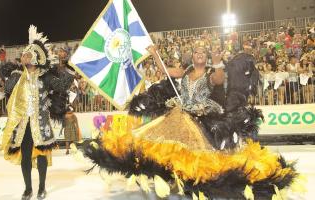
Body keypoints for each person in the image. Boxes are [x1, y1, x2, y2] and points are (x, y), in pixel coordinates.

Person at [81, 43, 297, 199]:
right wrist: (155, 54)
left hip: (201, 117)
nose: (200, 54)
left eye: (203, 52)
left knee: (195, 155)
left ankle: (190, 184)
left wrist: (216, 60)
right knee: (157, 144)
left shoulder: (212, 74)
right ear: (192, 56)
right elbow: (164, 70)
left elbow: (220, 79)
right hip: (177, 113)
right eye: (197, 51)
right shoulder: (184, 72)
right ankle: (167, 179)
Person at [0, 25, 74, 200]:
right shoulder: (17, 75)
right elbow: (8, 90)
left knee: (41, 156)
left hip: (40, 124)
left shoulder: (45, 76)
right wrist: (10, 76)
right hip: (23, 125)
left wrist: (69, 68)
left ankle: (41, 188)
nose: (22, 57)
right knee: (25, 157)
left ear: (34, 57)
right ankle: (27, 188)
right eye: (23, 55)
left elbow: (62, 86)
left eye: (26, 54)